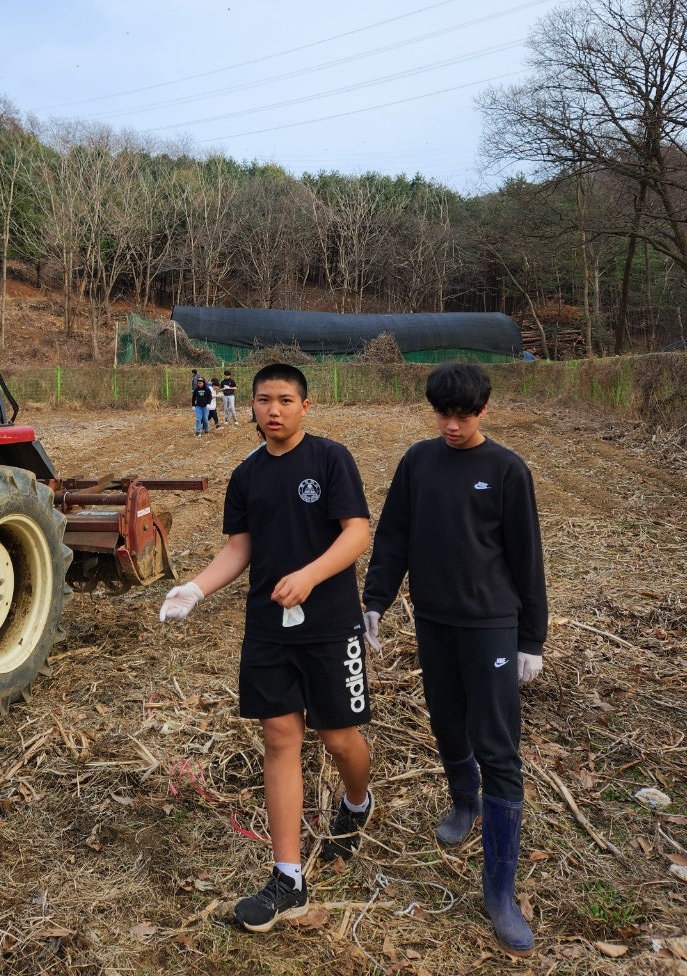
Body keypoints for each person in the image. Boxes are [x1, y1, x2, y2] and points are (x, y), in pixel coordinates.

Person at [161, 363, 374, 933]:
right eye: (263, 400)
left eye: (285, 399)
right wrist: (196, 588)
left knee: (337, 737)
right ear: (249, 406)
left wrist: (309, 575)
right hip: (268, 629)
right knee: (280, 738)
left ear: (305, 406)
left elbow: (357, 532)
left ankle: (357, 802)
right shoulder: (246, 475)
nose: (273, 409)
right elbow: (240, 549)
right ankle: (288, 878)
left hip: (330, 624)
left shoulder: (331, 459)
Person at [361, 361, 547, 956]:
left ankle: (500, 891)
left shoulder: (507, 470)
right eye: (442, 413)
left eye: (462, 415)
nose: (451, 424)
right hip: (434, 618)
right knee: (445, 720)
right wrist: (376, 601)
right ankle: (463, 801)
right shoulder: (418, 462)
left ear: (483, 411)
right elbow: (392, 535)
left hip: (491, 622)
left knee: (497, 744)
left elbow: (527, 557)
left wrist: (531, 640)